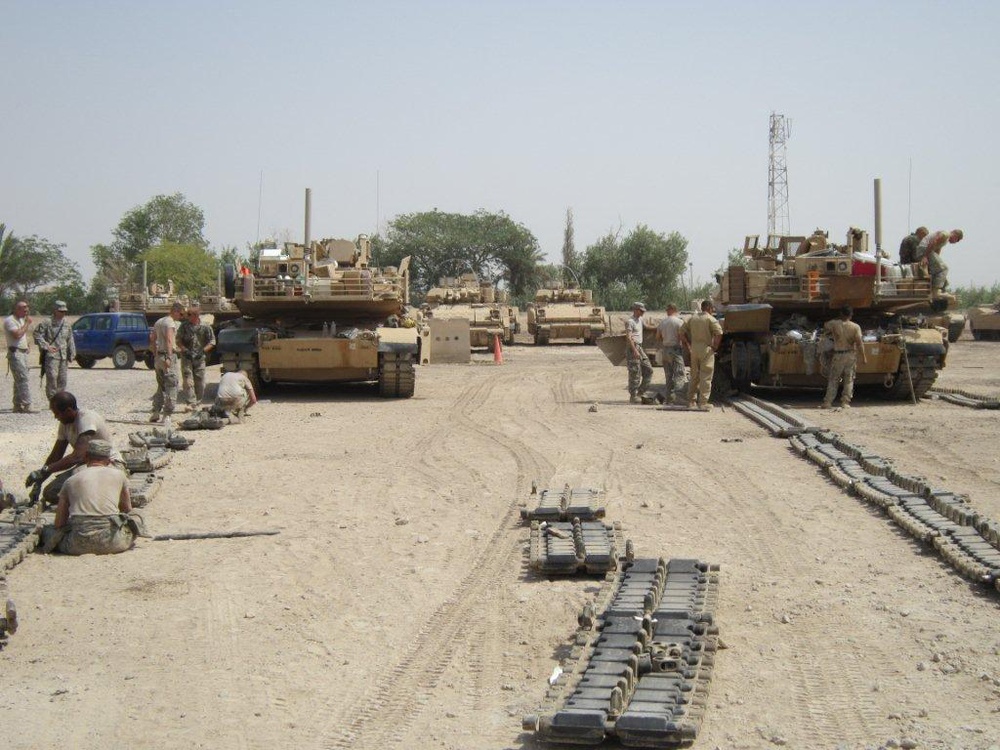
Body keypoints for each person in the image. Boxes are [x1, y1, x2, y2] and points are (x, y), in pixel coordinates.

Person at [40, 439, 145, 556]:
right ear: (109, 460)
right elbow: (126, 509)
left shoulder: (70, 481)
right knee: (135, 516)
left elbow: (59, 523)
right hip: (113, 543)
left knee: (47, 531)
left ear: (85, 457)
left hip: (77, 544)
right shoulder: (120, 476)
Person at [26, 390, 123, 505]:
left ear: (68, 411)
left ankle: (100, 500)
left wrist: (44, 470)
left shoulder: (87, 419)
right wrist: (39, 481)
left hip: (109, 464)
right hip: (87, 466)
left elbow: (77, 456)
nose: (55, 417)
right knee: (51, 492)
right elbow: (56, 455)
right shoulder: (65, 424)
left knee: (65, 492)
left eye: (57, 413)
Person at [821, 305, 867, 409]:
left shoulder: (834, 324)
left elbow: (825, 326)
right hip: (850, 355)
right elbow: (859, 343)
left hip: (838, 355)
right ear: (851, 315)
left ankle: (828, 402)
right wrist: (864, 357)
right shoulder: (855, 327)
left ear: (841, 314)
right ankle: (845, 402)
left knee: (834, 379)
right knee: (849, 379)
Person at [680, 300, 723, 410]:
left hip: (694, 350)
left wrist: (688, 345)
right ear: (709, 308)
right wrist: (715, 346)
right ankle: (703, 402)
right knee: (706, 376)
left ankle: (691, 401)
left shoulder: (692, 318)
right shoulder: (710, 319)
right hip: (706, 350)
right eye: (712, 308)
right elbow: (719, 333)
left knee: (694, 375)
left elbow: (681, 332)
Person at [33, 300, 76, 400]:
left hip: (63, 355)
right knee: (52, 377)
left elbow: (70, 339)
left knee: (62, 379)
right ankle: (52, 400)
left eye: (64, 311)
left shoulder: (66, 323)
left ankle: (60, 400)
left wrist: (72, 353)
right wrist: (46, 346)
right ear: (55, 311)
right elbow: (37, 334)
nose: (63, 313)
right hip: (51, 356)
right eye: (61, 311)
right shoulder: (47, 322)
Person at [150, 302, 184, 422]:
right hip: (167, 357)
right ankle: (167, 414)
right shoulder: (170, 322)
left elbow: (152, 339)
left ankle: (155, 411)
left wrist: (155, 354)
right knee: (172, 386)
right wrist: (169, 357)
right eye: (180, 314)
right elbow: (170, 340)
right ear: (175, 311)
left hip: (159, 357)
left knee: (161, 386)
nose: (180, 316)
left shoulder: (158, 321)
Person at [177, 303, 216, 408]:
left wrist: (203, 351)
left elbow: (212, 341)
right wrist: (184, 350)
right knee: (187, 380)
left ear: (196, 315)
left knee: (200, 381)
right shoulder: (184, 326)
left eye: (189, 314)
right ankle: (190, 402)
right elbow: (178, 340)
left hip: (200, 358)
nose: (187, 316)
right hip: (187, 357)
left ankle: (198, 401)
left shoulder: (205, 327)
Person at [4, 300, 33, 412]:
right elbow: (17, 334)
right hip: (15, 353)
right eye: (24, 308)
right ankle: (27, 405)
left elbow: (23, 336)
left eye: (27, 307)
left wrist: (27, 345)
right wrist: (27, 323)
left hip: (23, 352)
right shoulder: (10, 321)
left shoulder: (21, 320)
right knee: (22, 378)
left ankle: (17, 405)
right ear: (17, 309)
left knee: (19, 380)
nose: (26, 310)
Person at [655, 303, 686, 404]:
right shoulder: (679, 322)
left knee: (668, 376)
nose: (666, 311)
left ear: (670, 310)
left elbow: (657, 337)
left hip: (665, 350)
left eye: (667, 309)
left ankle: (669, 399)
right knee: (679, 374)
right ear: (675, 310)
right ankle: (679, 399)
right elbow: (681, 337)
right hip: (675, 350)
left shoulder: (662, 322)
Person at [624, 302, 653, 404]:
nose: (643, 313)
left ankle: (640, 393)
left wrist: (659, 327)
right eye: (641, 311)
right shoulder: (630, 321)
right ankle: (633, 396)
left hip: (639, 347)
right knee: (635, 372)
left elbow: (646, 327)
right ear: (635, 310)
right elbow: (629, 337)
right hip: (633, 348)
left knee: (649, 370)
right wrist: (635, 350)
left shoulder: (640, 319)